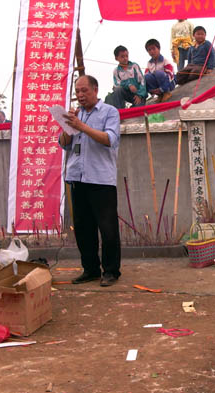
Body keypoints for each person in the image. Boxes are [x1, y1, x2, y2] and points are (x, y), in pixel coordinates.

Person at [57, 75, 121, 287]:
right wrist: (68, 126)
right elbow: (64, 144)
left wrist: (82, 126)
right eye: (77, 91)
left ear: (95, 89)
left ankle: (111, 271)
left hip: (101, 180)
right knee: (83, 229)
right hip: (77, 178)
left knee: (108, 229)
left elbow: (109, 139)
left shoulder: (109, 112)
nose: (80, 95)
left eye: (84, 90)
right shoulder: (77, 114)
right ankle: (90, 269)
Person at [144, 38, 175, 103]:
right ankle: (160, 95)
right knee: (147, 76)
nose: (152, 51)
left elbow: (170, 76)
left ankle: (167, 93)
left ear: (159, 48)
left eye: (153, 49)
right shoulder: (149, 63)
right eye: (149, 50)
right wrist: (151, 90)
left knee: (158, 73)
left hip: (168, 84)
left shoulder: (165, 61)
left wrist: (163, 88)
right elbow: (146, 76)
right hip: (158, 87)